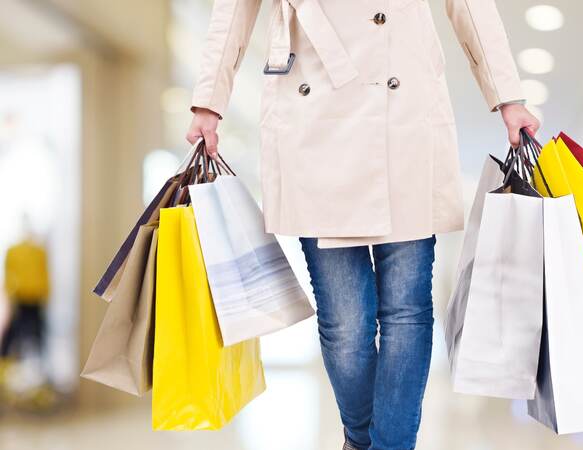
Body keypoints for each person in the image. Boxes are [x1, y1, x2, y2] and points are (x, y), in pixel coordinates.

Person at [186, 1, 539, 449]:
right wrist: (209, 103)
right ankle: (359, 438)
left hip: (404, 111)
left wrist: (507, 95)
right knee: (345, 322)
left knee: (407, 310)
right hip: (312, 108)